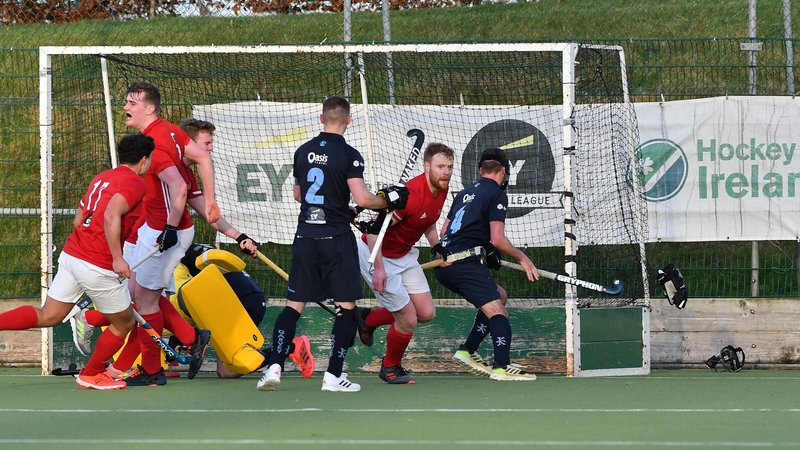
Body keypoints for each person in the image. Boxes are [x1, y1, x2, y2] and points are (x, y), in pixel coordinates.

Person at [256, 95, 409, 392]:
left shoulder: (303, 151)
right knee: (346, 308)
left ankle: (274, 366)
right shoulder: (350, 154)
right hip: (336, 239)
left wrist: (342, 207)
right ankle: (333, 376)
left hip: (305, 237)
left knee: (292, 307)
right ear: (348, 120)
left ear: (321, 118)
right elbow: (364, 199)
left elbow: (300, 196)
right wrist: (388, 199)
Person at [0, 134, 154, 390]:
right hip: (97, 264)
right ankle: (91, 374)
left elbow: (79, 218)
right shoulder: (136, 183)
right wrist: (117, 259)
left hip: (73, 254)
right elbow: (111, 215)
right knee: (124, 323)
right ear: (144, 159)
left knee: (48, 315)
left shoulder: (102, 177)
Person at [73, 243, 314, 379]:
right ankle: (293, 348)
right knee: (226, 372)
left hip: (242, 302)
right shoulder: (156, 256)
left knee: (147, 307)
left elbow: (206, 256)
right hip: (210, 309)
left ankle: (88, 318)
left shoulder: (180, 250)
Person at [121, 81, 222, 387]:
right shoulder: (167, 129)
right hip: (154, 226)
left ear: (149, 109)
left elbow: (178, 186)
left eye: (132, 103)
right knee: (139, 293)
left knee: (146, 302)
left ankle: (152, 371)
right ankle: (192, 338)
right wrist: (211, 199)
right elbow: (203, 158)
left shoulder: (157, 143)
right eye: (126, 101)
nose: (126, 107)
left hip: (166, 229)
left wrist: (169, 228)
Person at [433, 147, 539, 381]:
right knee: (498, 311)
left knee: (499, 295)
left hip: (444, 263)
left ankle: (468, 350)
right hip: (463, 262)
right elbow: (498, 239)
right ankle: (502, 367)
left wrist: (486, 251)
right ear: (504, 171)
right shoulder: (497, 194)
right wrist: (523, 258)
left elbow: (444, 231)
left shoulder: (463, 193)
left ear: (481, 170)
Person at [355, 143, 454, 385]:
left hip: (404, 255)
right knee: (408, 318)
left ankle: (367, 320)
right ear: (426, 166)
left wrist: (436, 245)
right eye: (441, 166)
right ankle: (390, 368)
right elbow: (373, 232)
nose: (446, 172)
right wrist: (378, 269)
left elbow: (428, 221)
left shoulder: (442, 188)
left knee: (426, 313)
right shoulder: (410, 196)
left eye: (450, 167)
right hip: (377, 254)